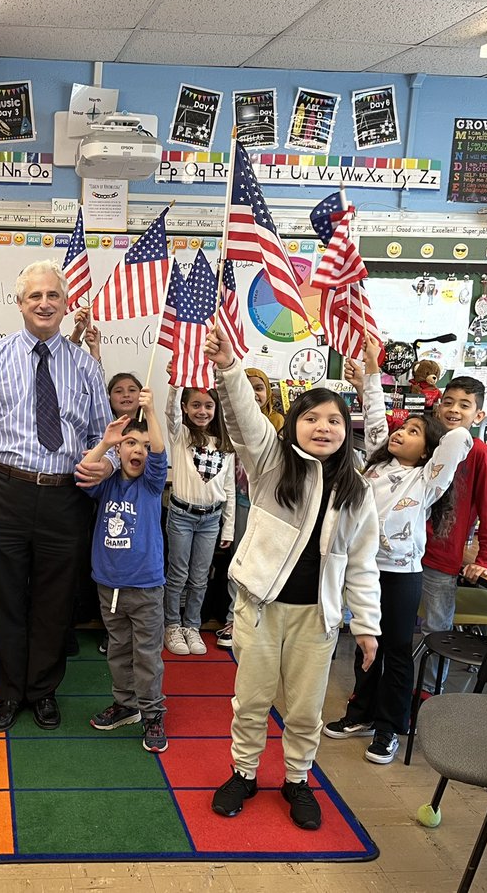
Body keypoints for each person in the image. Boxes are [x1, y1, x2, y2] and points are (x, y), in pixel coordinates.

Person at [205, 327, 381, 831]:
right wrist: (228, 365)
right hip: (261, 609)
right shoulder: (270, 464)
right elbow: (243, 416)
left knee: (305, 709)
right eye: (310, 417)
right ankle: (244, 773)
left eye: (333, 419)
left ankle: (297, 779)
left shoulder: (355, 491)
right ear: (293, 425)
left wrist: (366, 626)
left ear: (346, 429)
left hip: (317, 618)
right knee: (253, 700)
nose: (322, 427)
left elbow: (362, 564)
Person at [0, 260, 114, 733]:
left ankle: (41, 690)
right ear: (20, 304)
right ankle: (7, 691)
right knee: (3, 598)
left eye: (53, 296)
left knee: (54, 601)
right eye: (34, 296)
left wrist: (108, 463)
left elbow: (109, 438)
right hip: (2, 491)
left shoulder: (85, 365)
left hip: (66, 498)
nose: (44, 303)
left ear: (65, 306)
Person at [325, 337, 472, 764]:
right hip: (364, 570)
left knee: (395, 650)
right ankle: (361, 713)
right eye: (401, 428)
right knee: (365, 641)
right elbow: (373, 412)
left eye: (412, 433)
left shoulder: (427, 480)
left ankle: (391, 727)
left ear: (427, 451)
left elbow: (457, 438)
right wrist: (372, 366)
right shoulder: (374, 465)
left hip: (402, 573)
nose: (400, 433)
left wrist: (449, 414)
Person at [82, 388, 170, 752]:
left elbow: (160, 456)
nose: (138, 450)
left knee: (146, 654)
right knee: (118, 650)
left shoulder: (150, 485)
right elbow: (85, 469)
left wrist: (150, 413)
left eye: (144, 445)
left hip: (145, 587)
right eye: (131, 443)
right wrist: (105, 443)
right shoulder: (107, 483)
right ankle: (126, 704)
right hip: (109, 586)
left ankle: (152, 714)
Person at [419, 375, 487, 692]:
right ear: (439, 407)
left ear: (478, 415)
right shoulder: (427, 444)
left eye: (464, 405)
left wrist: (486, 557)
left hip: (442, 558)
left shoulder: (479, 455)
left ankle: (430, 693)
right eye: (449, 402)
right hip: (405, 552)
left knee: (436, 629)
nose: (454, 410)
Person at [163, 383, 235, 656]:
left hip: (210, 519)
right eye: (195, 405)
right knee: (178, 574)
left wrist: (228, 527)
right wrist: (174, 385)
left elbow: (228, 488)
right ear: (184, 407)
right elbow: (169, 414)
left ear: (216, 409)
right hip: (182, 516)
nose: (202, 411)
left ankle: (192, 626)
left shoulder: (225, 445)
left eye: (208, 406)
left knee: (200, 576)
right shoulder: (181, 435)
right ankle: (172, 624)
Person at [219, 368, 284, 649]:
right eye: (247, 387)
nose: (254, 393)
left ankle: (259, 620)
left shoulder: (279, 423)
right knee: (239, 561)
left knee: (264, 563)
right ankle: (234, 617)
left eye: (259, 387)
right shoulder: (228, 420)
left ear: (268, 392)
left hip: (269, 507)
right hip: (238, 502)